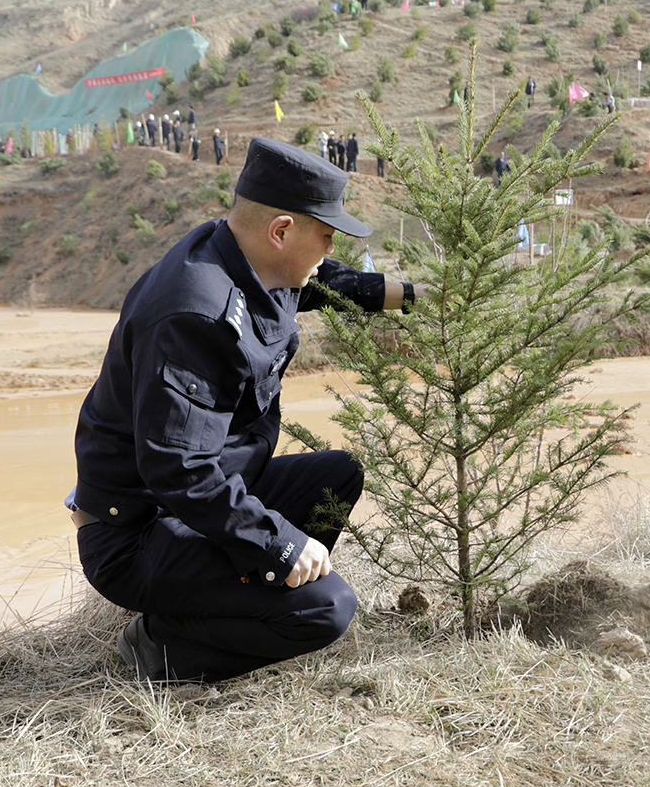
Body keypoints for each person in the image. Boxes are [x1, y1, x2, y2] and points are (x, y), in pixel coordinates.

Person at [71, 137, 418, 683]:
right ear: (281, 231)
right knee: (327, 609)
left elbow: (324, 282)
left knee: (336, 477)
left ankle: (240, 597)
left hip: (195, 499)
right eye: (325, 236)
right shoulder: (196, 315)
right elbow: (178, 470)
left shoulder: (246, 255)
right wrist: (278, 544)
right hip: (137, 531)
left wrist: (413, 294)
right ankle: (161, 645)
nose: (328, 250)